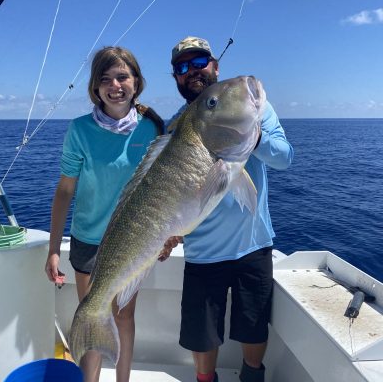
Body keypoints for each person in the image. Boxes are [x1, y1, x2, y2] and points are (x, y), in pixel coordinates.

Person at [165, 37, 294, 382]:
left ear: (215, 65)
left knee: (254, 326)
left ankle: (252, 378)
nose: (192, 71)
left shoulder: (251, 106)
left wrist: (249, 136)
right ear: (176, 78)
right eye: (182, 67)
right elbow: (172, 195)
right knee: (201, 332)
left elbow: (284, 157)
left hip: (252, 244)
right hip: (202, 252)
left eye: (199, 62)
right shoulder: (174, 128)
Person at [44, 46, 167, 382]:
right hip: (88, 239)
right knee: (91, 317)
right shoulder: (79, 129)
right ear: (95, 88)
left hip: (133, 241)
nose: (115, 84)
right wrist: (54, 249)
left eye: (123, 76)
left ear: (137, 82)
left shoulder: (152, 128)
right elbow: (65, 190)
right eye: (106, 79)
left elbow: (163, 191)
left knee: (124, 316)